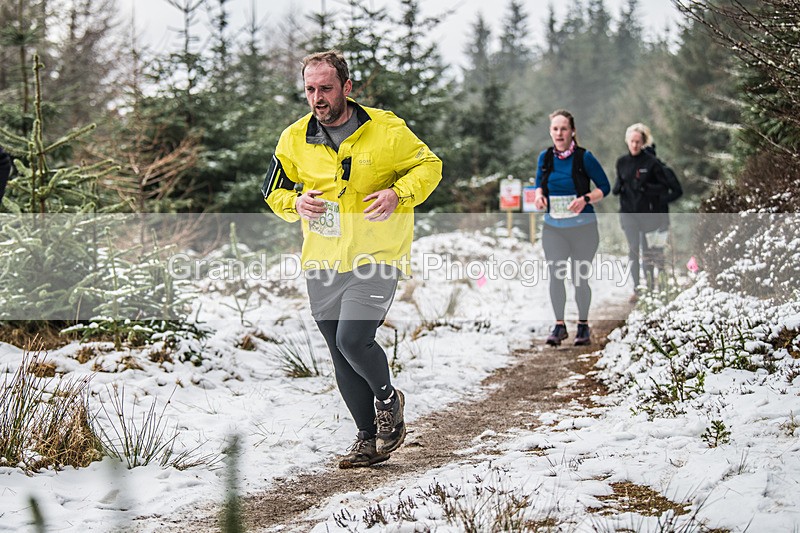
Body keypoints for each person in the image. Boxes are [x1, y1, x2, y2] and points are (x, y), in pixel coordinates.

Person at [262, 50, 442, 469]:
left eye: (325, 88)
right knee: (339, 352)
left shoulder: (386, 129)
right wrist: (295, 203)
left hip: (376, 255)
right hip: (323, 259)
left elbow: (429, 166)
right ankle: (366, 438)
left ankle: (388, 401)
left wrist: (398, 193)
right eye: (310, 89)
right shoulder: (294, 138)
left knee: (352, 339)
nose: (317, 98)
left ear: (346, 87)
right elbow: (272, 189)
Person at [533, 109, 610, 346]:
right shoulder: (545, 158)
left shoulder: (584, 158)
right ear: (550, 132)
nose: (559, 133)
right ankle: (559, 326)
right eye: (555, 129)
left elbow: (604, 187)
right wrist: (539, 196)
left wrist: (585, 199)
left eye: (564, 129)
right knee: (556, 275)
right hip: (554, 227)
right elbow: (538, 184)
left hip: (583, 228)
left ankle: (583, 326)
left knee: (579, 277)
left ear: (572, 131)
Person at [613, 123, 682, 299]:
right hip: (628, 213)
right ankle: (637, 289)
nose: (634, 145)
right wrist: (618, 187)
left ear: (643, 143)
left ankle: (652, 288)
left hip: (649, 214)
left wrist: (647, 189)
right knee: (633, 249)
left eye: (638, 142)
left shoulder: (653, 164)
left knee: (649, 252)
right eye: (632, 141)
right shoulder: (622, 162)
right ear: (627, 141)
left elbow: (666, 188)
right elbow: (619, 182)